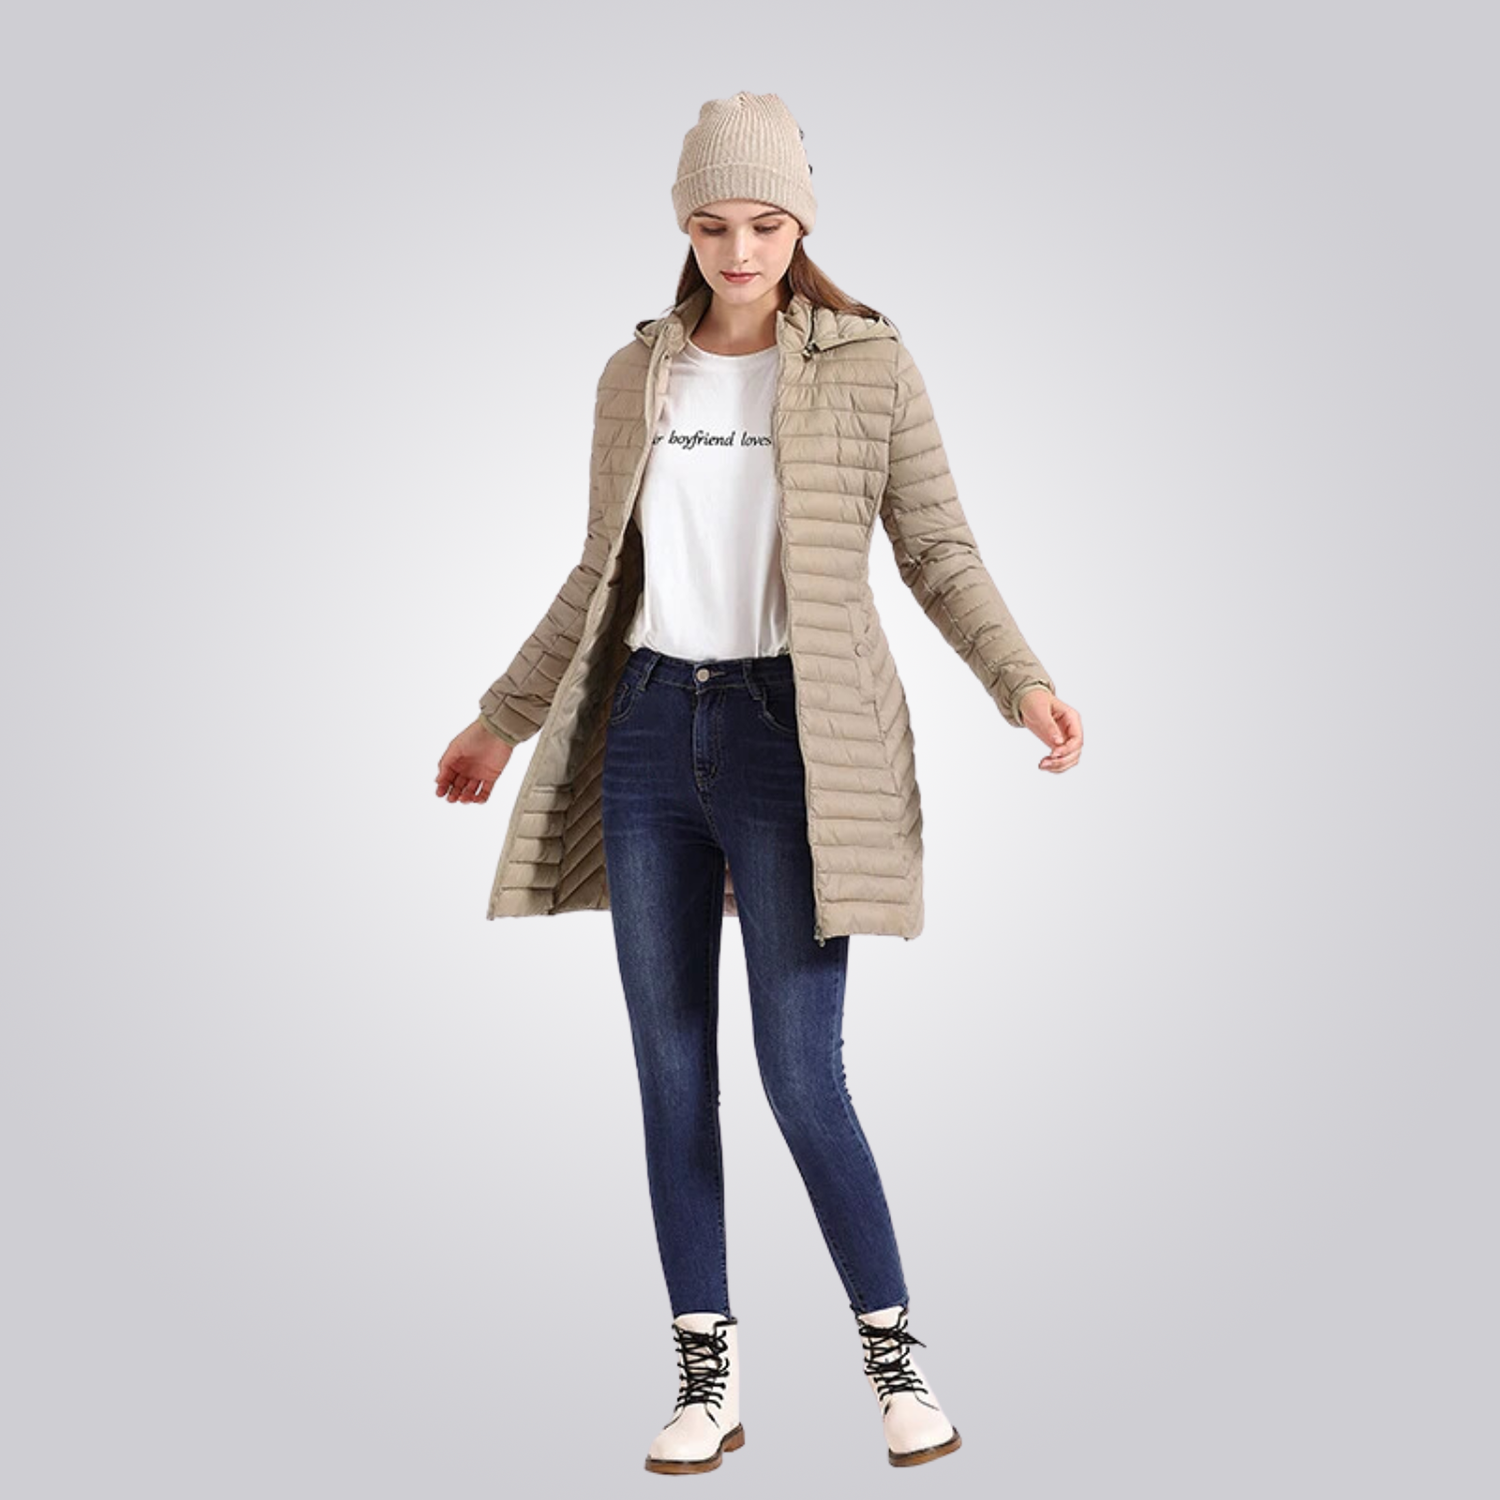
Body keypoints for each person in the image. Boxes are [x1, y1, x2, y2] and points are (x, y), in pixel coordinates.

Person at [435, 91, 1084, 1475]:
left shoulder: (871, 364)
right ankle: (706, 1376)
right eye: (714, 224)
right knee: (671, 1073)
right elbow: (597, 571)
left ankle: (896, 1365)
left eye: (768, 224)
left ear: (803, 226)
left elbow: (939, 551)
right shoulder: (636, 374)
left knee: (801, 1074)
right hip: (647, 733)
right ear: (684, 226)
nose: (741, 250)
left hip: (799, 738)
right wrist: (502, 718)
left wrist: (1020, 680)